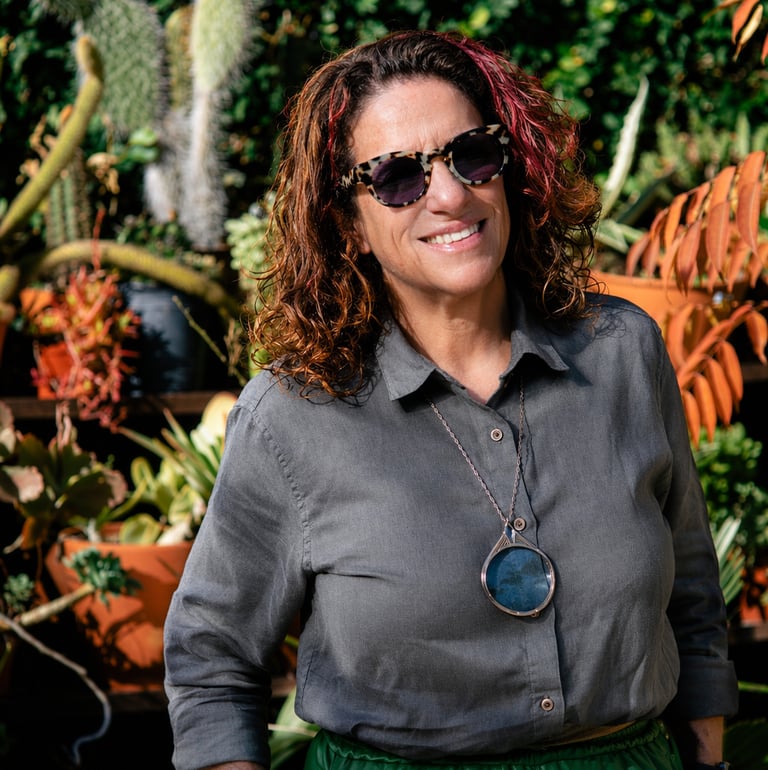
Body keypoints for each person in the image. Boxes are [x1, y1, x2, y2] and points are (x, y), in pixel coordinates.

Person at [163, 29, 738, 770]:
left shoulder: (623, 354)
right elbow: (212, 660)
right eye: (397, 176)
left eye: (471, 154)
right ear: (348, 224)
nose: (450, 194)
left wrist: (708, 752)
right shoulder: (292, 417)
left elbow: (692, 595)